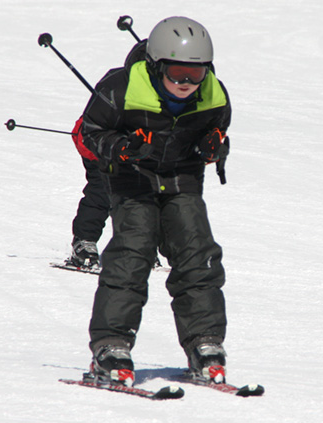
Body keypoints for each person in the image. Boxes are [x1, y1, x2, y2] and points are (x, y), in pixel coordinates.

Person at [80, 16, 231, 387]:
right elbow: (90, 131)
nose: (186, 84)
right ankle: (111, 346)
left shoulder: (214, 94)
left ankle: (205, 345)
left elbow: (217, 131)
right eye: (178, 73)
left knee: (199, 256)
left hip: (182, 181)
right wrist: (122, 147)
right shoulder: (120, 89)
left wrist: (214, 146)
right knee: (132, 255)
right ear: (156, 66)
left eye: (195, 75)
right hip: (133, 180)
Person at [67, 117, 109, 269]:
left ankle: (139, 245)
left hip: (135, 148)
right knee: (103, 190)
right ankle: (84, 240)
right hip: (97, 141)